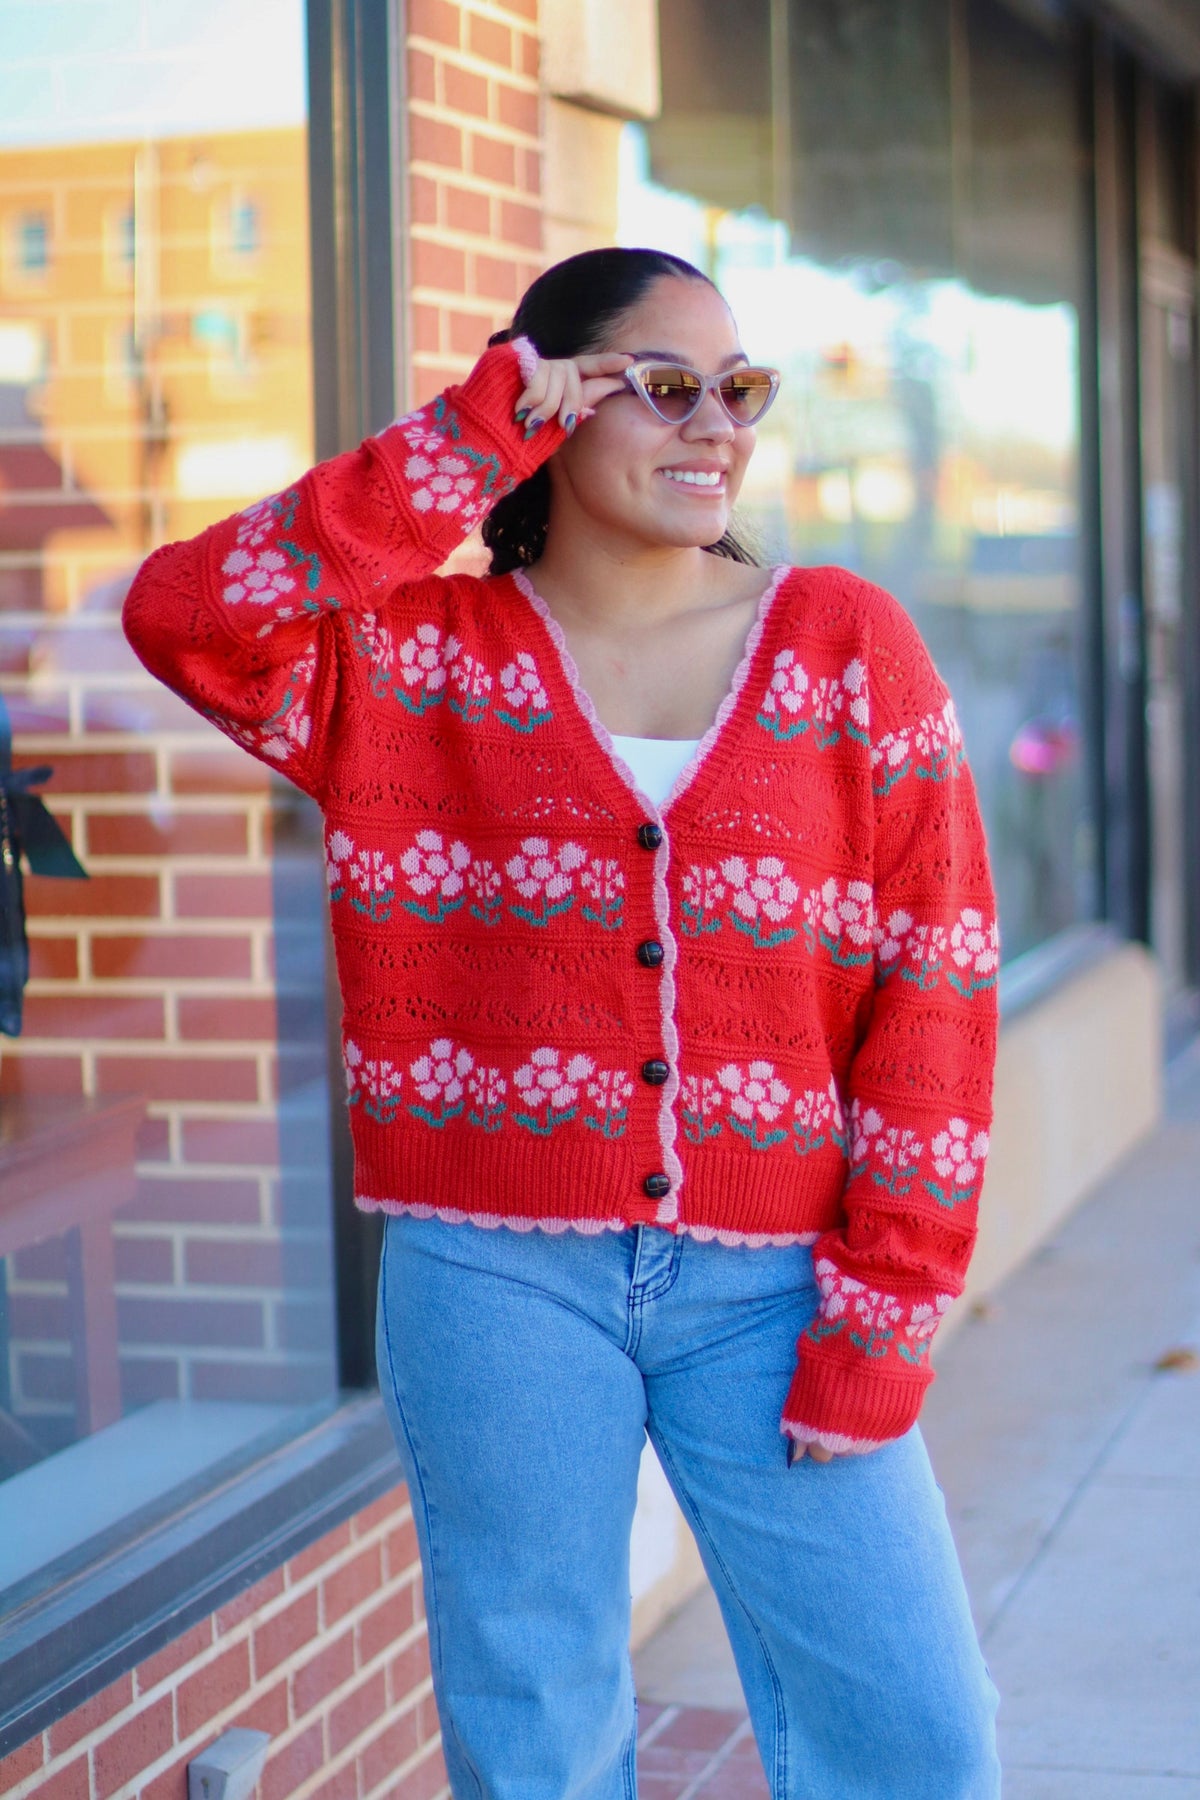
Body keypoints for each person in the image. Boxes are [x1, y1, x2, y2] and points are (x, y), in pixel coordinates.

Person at [124, 246, 1001, 1800]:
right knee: (537, 1734)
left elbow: (939, 986)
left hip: (781, 1284)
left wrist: (889, 1309)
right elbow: (189, 616)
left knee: (917, 1737)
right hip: (492, 1279)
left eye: (740, 391)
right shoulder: (412, 661)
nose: (715, 425)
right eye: (664, 387)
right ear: (552, 402)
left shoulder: (846, 649)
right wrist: (460, 441)